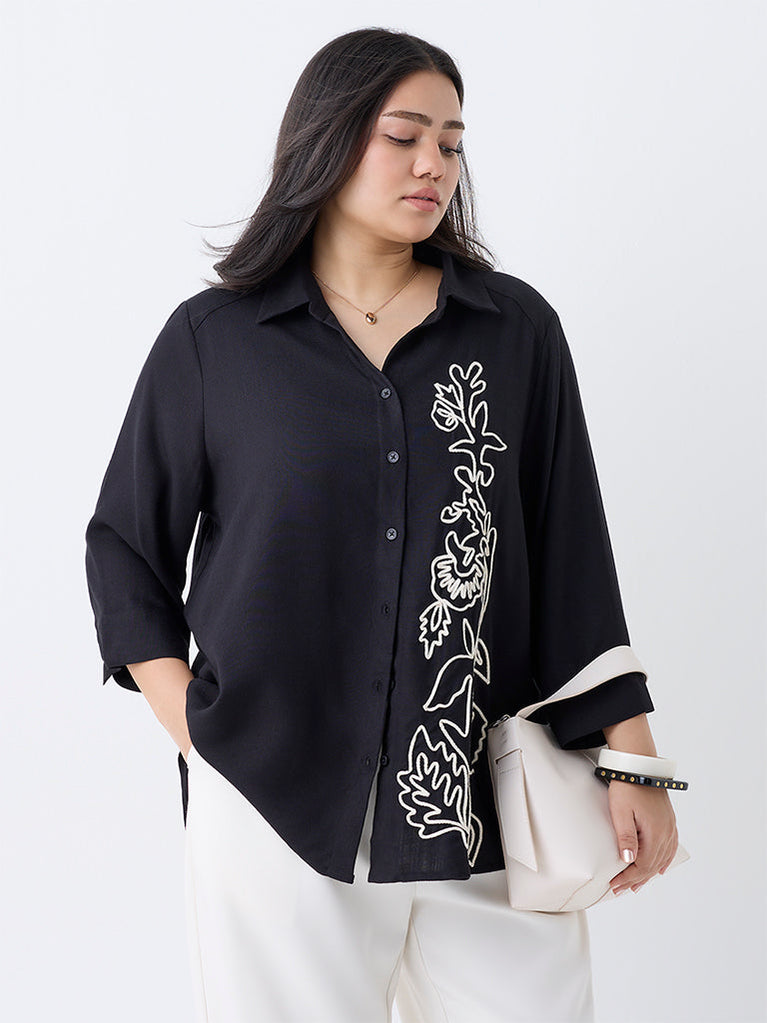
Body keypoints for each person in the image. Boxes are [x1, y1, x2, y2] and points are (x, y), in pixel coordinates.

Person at [84, 26, 680, 1023]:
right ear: (326, 139)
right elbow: (124, 548)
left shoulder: (513, 332)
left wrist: (631, 755)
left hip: (485, 808)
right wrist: (198, 733)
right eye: (403, 136)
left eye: (450, 143)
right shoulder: (216, 341)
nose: (432, 164)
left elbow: (570, 547)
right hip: (271, 804)